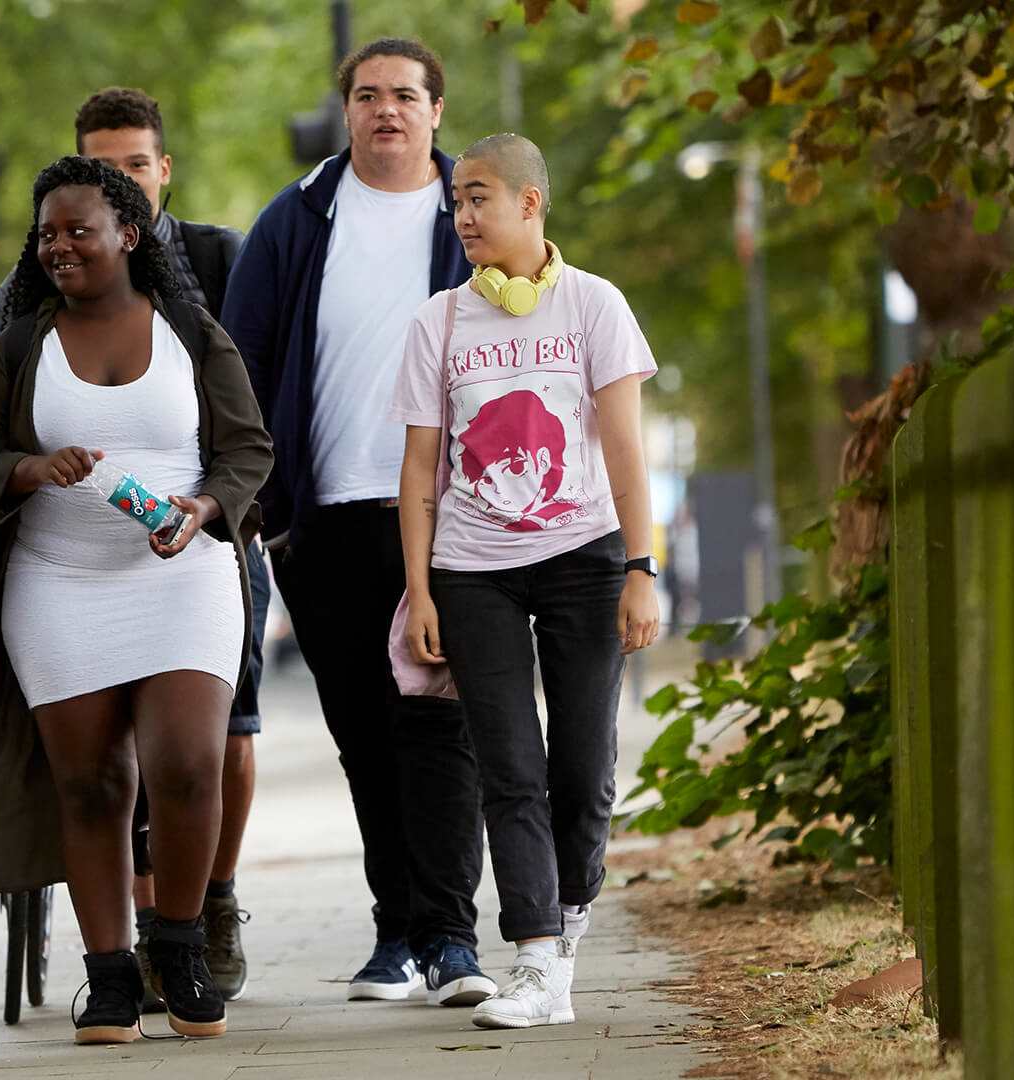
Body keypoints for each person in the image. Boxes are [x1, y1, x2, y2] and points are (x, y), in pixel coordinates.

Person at [0, 156, 271, 1045]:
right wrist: (31, 469)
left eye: (78, 230)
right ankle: (109, 978)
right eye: (46, 235)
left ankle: (179, 949)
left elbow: (246, 449)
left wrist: (202, 508)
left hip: (181, 576)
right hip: (59, 583)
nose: (59, 247)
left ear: (129, 233)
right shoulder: (21, 345)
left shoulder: (190, 330)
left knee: (187, 765)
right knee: (92, 785)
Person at [219, 37, 494, 1006]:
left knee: (440, 724)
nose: (386, 110)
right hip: (325, 522)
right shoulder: (295, 221)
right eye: (368, 95)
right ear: (348, 110)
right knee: (366, 738)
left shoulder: (478, 214)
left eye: (405, 95)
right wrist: (259, 507)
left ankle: (453, 940)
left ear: (436, 110)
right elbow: (240, 363)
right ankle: (398, 935)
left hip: (455, 520)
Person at [391, 132, 660, 1030]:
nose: (463, 215)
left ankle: (568, 928)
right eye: (457, 201)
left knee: (583, 770)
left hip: (585, 560)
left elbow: (625, 448)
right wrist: (422, 590)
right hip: (475, 572)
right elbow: (420, 470)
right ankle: (535, 959)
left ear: (530, 203)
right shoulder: (439, 322)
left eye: (479, 198)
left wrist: (640, 569)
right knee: (509, 769)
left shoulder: (593, 305)